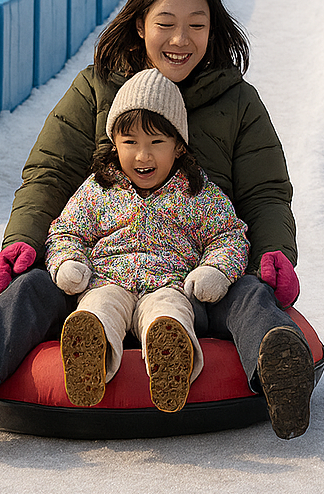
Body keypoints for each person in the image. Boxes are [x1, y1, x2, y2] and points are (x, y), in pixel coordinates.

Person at [0, 0, 315, 441]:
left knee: (250, 296)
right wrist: (23, 240)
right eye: (165, 23)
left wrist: (274, 251)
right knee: (34, 291)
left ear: (213, 29)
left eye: (196, 24)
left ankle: (277, 372)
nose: (180, 39)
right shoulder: (97, 88)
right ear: (140, 23)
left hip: (193, 278)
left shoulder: (237, 101)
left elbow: (263, 191)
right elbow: (52, 172)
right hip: (98, 280)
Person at [47, 69, 249, 413]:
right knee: (99, 308)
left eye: (156, 143)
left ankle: (170, 358)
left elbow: (228, 236)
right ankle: (89, 359)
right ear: (115, 144)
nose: (143, 156)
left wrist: (215, 269)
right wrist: (69, 262)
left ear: (178, 146)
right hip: (107, 280)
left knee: (168, 312)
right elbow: (67, 231)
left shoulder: (196, 192)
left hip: (168, 282)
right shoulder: (99, 189)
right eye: (131, 143)